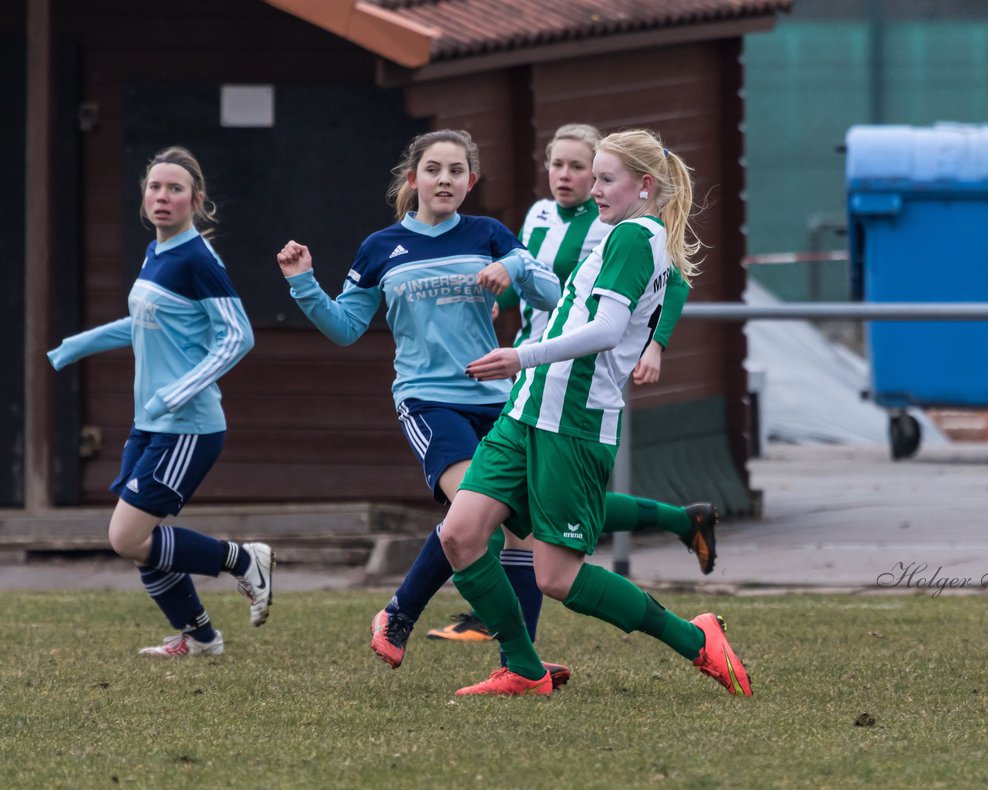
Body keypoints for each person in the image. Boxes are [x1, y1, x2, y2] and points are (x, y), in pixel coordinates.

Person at [438, 128, 752, 697]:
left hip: (573, 421)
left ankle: (695, 639)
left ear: (644, 186)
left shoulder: (635, 237)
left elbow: (607, 331)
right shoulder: (617, 231)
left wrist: (519, 355)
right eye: (594, 176)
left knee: (555, 578)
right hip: (529, 408)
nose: (594, 189)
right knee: (459, 535)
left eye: (606, 179)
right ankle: (524, 670)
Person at [273, 130, 566, 676]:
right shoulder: (381, 247)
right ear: (413, 179)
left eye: (457, 171)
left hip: (497, 399)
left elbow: (552, 296)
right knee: (475, 511)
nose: (445, 180)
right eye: (434, 170)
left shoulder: (490, 234)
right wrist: (303, 284)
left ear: (470, 182)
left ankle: (517, 664)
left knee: (520, 530)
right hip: (428, 400)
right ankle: (401, 615)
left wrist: (517, 268)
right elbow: (346, 328)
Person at [47, 147, 269, 657]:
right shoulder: (158, 253)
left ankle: (243, 559)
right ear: (144, 196)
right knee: (144, 542)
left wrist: (179, 391)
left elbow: (238, 337)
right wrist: (80, 345)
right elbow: (145, 324)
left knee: (127, 536)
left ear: (197, 199)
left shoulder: (197, 259)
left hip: (189, 424)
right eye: (155, 187)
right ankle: (201, 638)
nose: (163, 197)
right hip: (152, 421)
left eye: (174, 188)